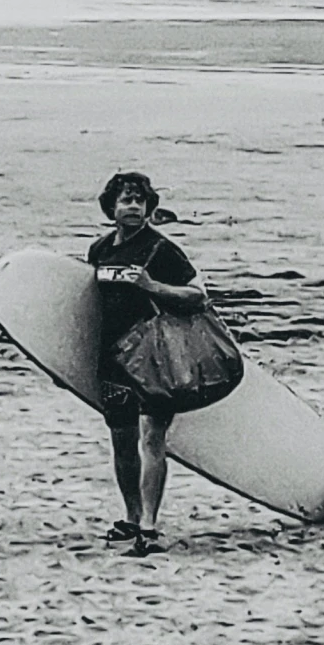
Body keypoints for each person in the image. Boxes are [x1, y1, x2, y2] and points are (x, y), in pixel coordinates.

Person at [88, 170, 206, 556]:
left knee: (153, 438)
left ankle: (150, 525)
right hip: (113, 356)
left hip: (157, 356)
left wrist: (153, 287)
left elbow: (197, 296)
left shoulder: (161, 250)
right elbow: (88, 308)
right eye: (126, 199)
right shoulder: (100, 250)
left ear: (150, 208)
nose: (133, 206)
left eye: (140, 200)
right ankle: (131, 516)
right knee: (122, 438)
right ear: (111, 208)